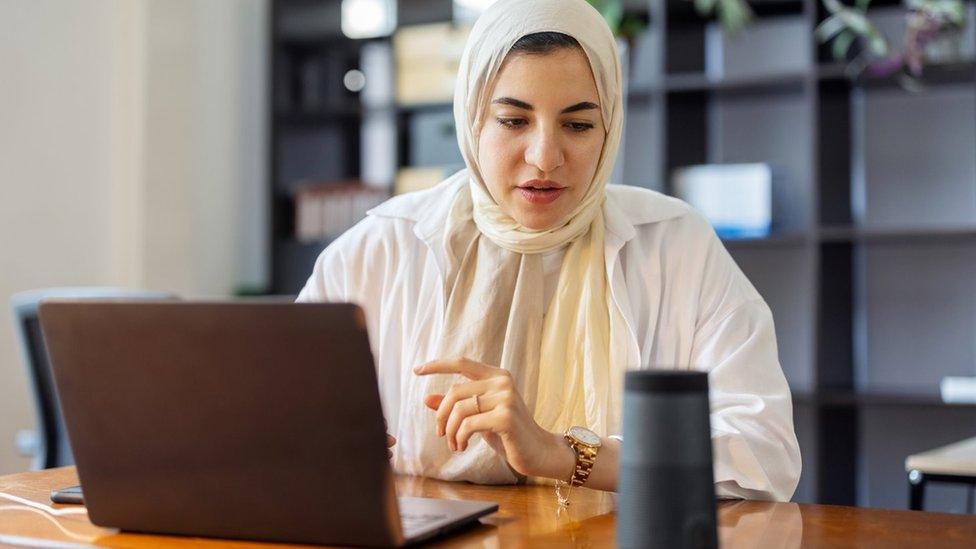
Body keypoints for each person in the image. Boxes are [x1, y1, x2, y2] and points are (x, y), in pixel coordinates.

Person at [297, 0, 801, 502]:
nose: (544, 157)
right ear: (473, 118)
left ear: (610, 129)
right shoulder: (376, 250)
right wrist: (319, 451)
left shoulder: (675, 243)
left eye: (578, 125)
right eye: (514, 121)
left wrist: (562, 453)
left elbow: (765, 452)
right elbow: (278, 422)